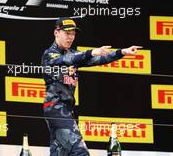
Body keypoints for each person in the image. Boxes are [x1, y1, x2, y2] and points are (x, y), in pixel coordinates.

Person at [41, 17, 142, 156]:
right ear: (56, 33)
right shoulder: (50, 54)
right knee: (80, 151)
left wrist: (121, 52)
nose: (70, 37)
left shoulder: (74, 54)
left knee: (60, 153)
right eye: (67, 33)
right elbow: (67, 60)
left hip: (68, 110)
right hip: (55, 108)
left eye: (73, 34)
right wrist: (90, 52)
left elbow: (98, 59)